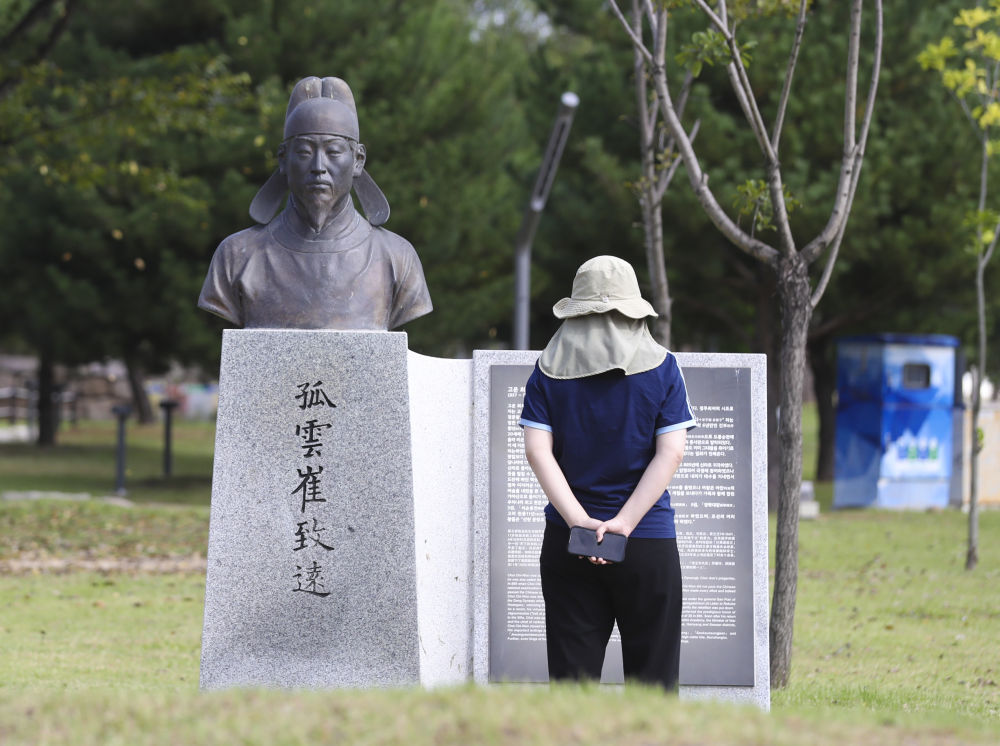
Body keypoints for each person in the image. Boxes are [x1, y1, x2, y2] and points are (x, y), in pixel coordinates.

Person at [518, 255, 695, 690]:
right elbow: (671, 453)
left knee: (572, 686)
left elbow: (538, 452)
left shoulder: (545, 372)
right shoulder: (664, 368)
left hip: (568, 542)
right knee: (653, 685)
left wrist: (580, 522)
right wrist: (624, 524)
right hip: (647, 540)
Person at [198, 76, 432, 330]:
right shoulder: (237, 255)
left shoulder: (397, 257)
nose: (318, 167)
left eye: (333, 152)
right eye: (304, 152)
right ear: (283, 159)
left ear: (358, 160)